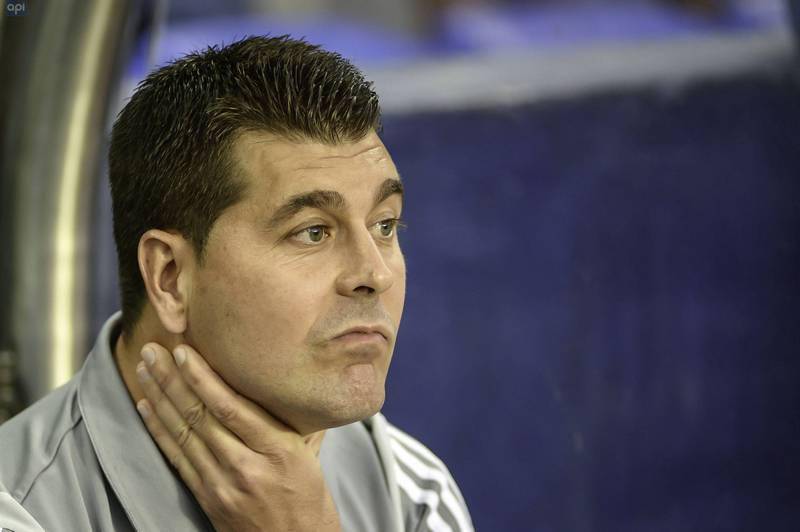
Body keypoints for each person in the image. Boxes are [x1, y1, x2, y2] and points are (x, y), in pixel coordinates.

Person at [0, 35, 473, 531]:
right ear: (169, 277)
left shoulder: (412, 494)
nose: (374, 274)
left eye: (385, 225)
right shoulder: (21, 511)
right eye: (313, 232)